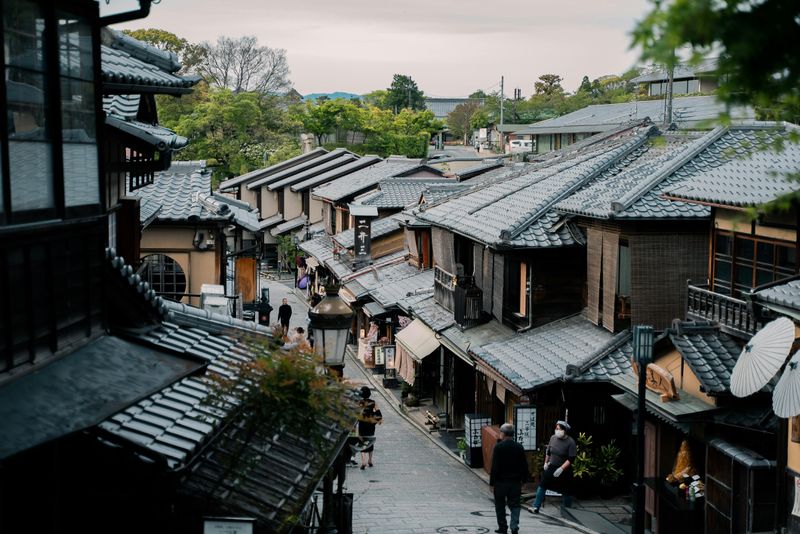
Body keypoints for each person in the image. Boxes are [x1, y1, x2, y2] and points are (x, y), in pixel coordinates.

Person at [490, 423, 528, 534]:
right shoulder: (519, 447)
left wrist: (491, 483)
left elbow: (495, 467)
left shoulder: (498, 447)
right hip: (515, 482)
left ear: (503, 433)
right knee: (515, 505)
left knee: (500, 505)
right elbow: (524, 466)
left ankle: (503, 528)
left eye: (500, 432)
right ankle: (514, 525)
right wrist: (524, 480)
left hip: (500, 483)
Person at [533, 420, 577, 514]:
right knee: (542, 485)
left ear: (564, 430)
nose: (557, 430)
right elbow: (548, 452)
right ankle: (536, 506)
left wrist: (561, 468)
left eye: (559, 429)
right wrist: (546, 462)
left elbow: (571, 458)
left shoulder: (570, 442)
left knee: (567, 490)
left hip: (564, 469)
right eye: (556, 428)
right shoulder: (553, 438)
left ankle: (568, 511)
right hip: (552, 466)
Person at [356, 386, 382, 470]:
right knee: (370, 441)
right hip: (371, 424)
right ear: (369, 394)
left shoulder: (360, 402)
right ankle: (370, 460)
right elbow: (378, 412)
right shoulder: (373, 402)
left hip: (362, 424)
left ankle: (363, 461)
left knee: (362, 442)